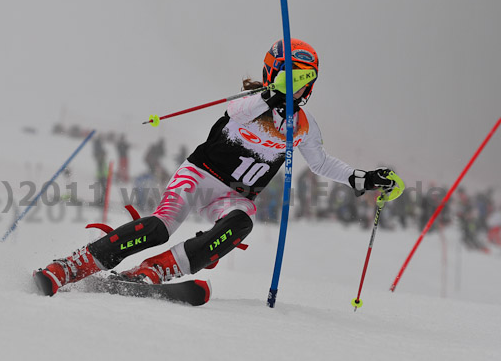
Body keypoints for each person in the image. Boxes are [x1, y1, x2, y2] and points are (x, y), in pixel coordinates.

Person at [33, 39, 397, 296]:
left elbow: (320, 162)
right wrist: (273, 96)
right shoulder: (250, 102)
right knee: (161, 227)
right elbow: (236, 113)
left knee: (241, 223)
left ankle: (156, 269)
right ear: (273, 74)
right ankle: (74, 264)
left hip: (235, 196)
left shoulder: (303, 125)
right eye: (292, 78)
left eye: (305, 81)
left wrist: (362, 178)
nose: (299, 89)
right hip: (201, 177)